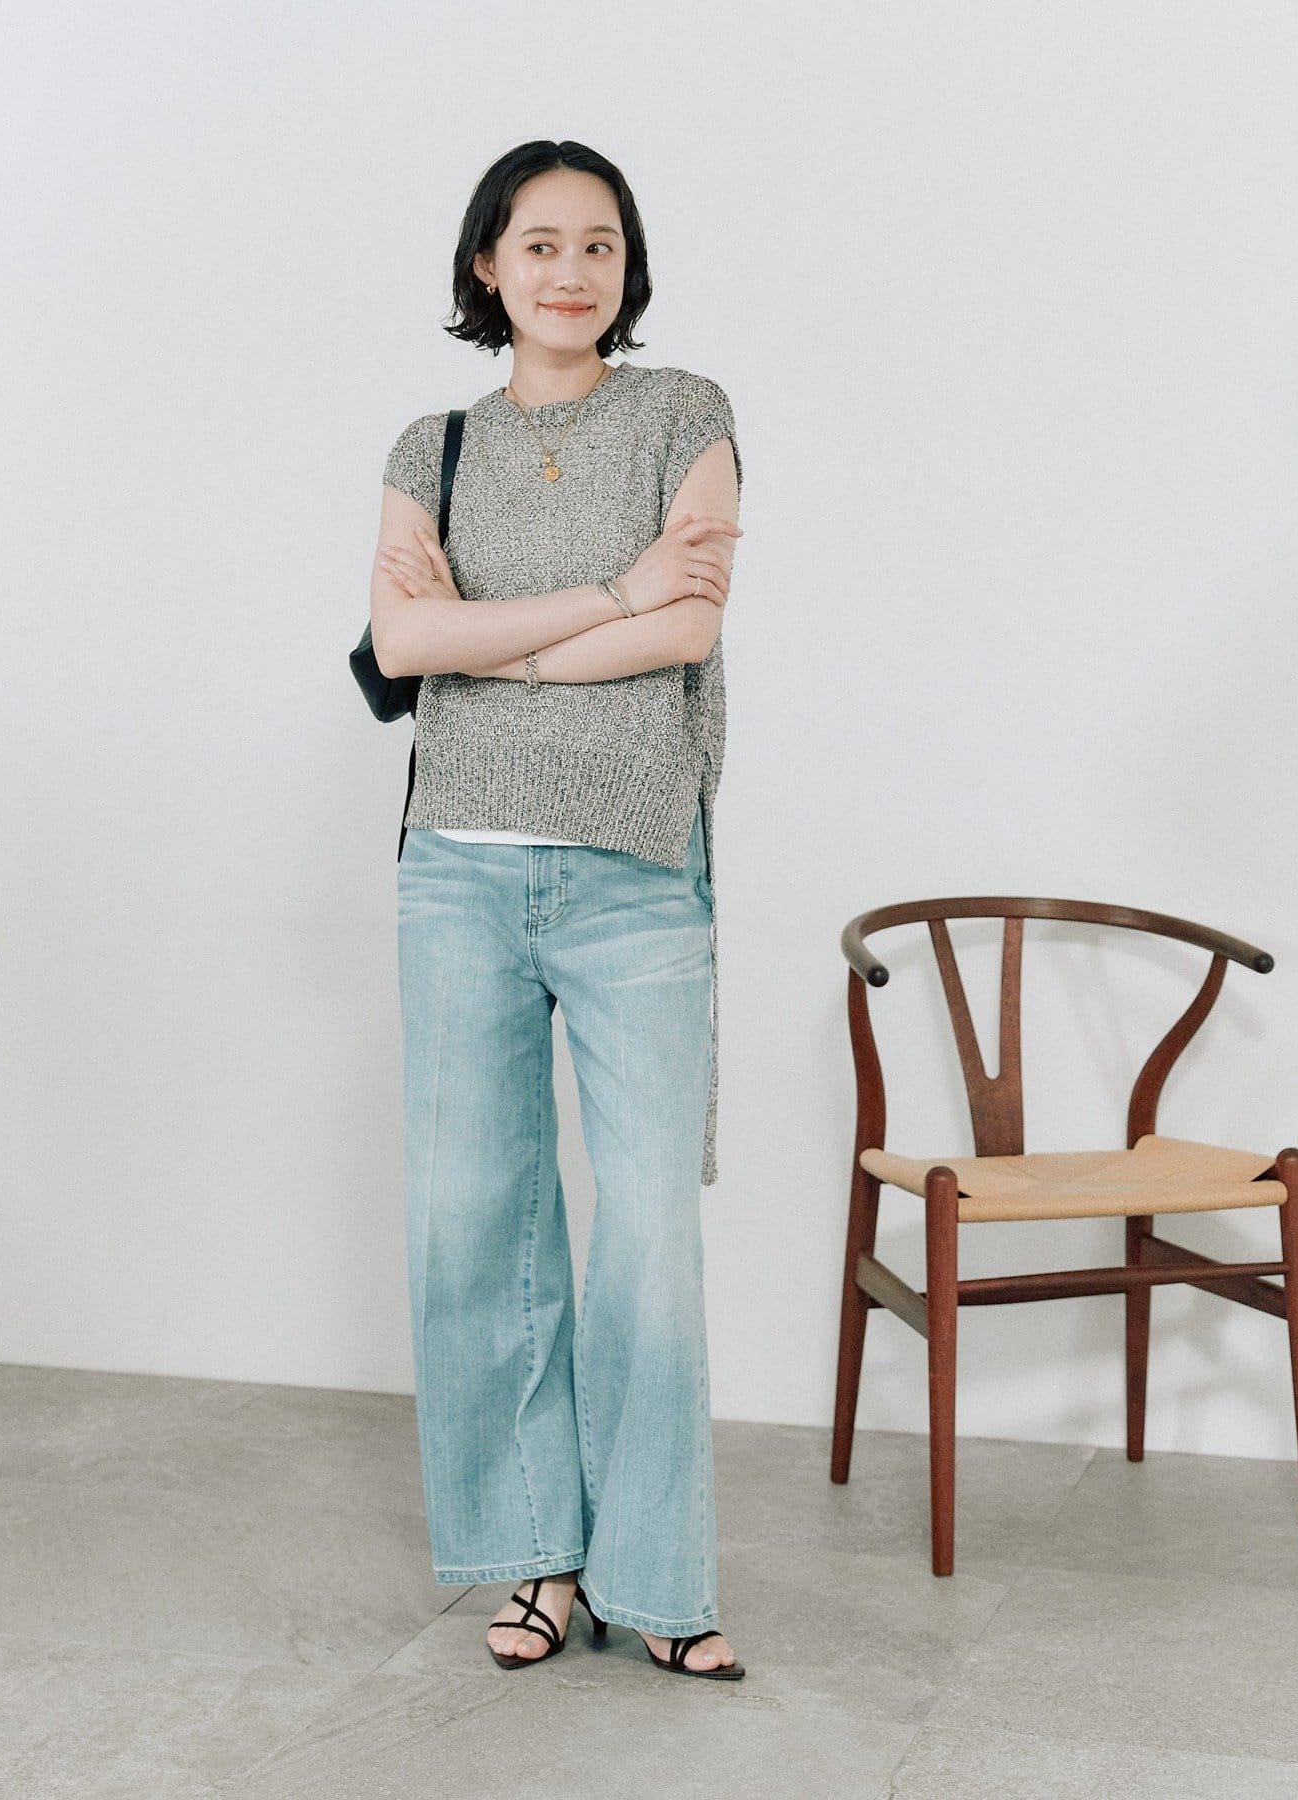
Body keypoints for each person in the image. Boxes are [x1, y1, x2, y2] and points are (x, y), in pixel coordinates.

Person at [370, 139, 745, 1680]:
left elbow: (692, 623)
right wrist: (606, 596)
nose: (571, 271)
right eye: (540, 244)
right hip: (457, 869)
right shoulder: (432, 446)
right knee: (479, 1221)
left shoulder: (684, 415)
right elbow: (402, 641)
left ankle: (657, 1580)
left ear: (627, 268)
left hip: (635, 867)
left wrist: (494, 643)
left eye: (600, 245)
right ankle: (538, 1561)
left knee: (647, 1227)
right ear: (489, 265)